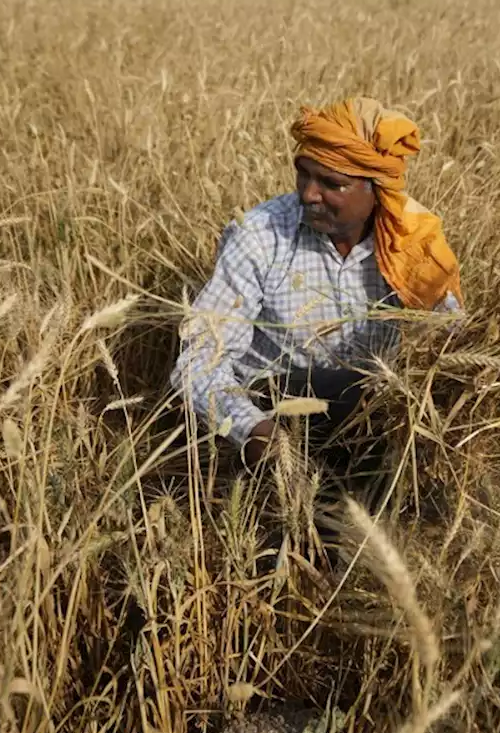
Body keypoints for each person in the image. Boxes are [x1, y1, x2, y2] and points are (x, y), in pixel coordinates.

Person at [170, 96, 463, 492]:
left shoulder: (412, 243)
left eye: (331, 183)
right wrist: (254, 430)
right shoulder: (259, 235)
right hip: (276, 413)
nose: (308, 194)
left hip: (379, 419)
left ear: (376, 190)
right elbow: (199, 360)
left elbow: (450, 345)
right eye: (304, 175)